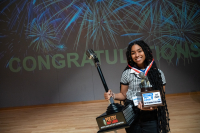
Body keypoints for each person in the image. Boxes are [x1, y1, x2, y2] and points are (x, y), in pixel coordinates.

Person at [104, 40, 170, 133]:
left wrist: (153, 107)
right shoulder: (127, 73)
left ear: (146, 51)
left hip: (150, 117)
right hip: (132, 115)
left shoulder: (158, 73)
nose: (137, 55)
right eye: (133, 53)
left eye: (140, 51)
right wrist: (113, 95)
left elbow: (161, 98)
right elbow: (124, 94)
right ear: (130, 56)